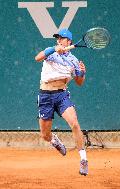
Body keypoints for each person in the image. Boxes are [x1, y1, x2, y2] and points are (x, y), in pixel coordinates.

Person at [35, 28, 88, 176]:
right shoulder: (50, 52)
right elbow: (37, 58)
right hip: (45, 95)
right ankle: (54, 141)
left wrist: (82, 73)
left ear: (69, 41)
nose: (58, 40)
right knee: (45, 135)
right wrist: (53, 49)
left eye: (61, 38)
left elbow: (79, 82)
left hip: (62, 95)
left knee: (75, 124)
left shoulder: (74, 61)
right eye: (57, 38)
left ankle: (83, 160)